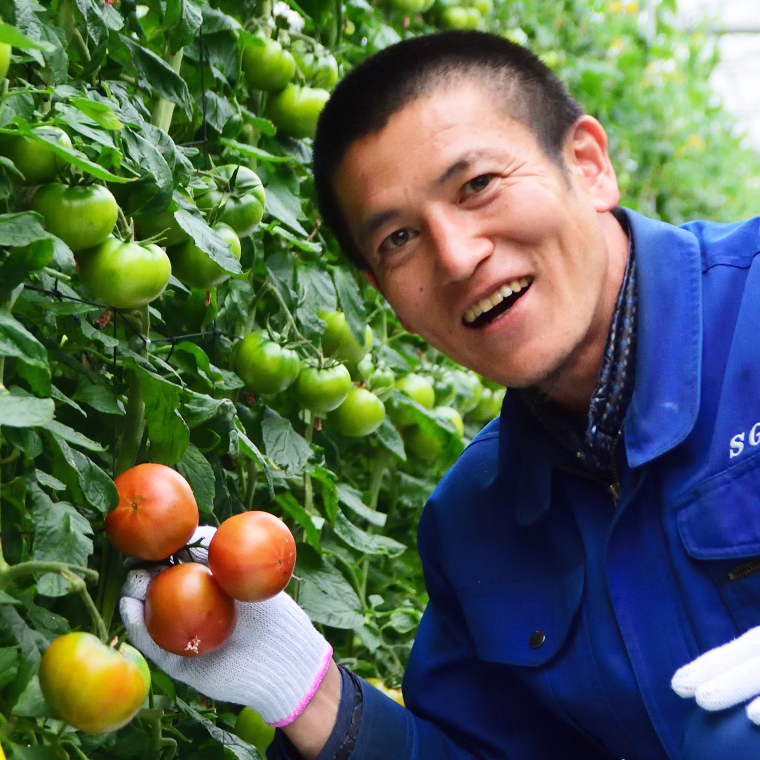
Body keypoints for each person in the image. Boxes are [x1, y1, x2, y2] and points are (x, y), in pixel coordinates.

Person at [120, 30, 760, 760]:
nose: (458, 257)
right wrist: (312, 695)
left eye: (478, 185)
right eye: (398, 239)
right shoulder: (474, 524)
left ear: (587, 165)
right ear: (382, 295)